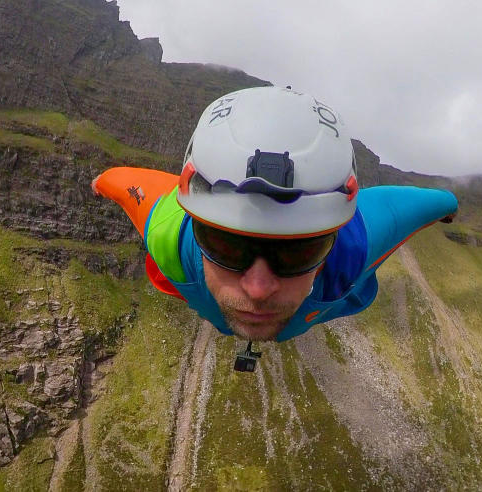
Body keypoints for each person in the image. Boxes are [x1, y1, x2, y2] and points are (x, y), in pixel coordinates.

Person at [92, 86, 457, 345]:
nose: (258, 289)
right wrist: (448, 204)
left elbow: (128, 185)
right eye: (226, 244)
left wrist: (103, 181)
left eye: (298, 251)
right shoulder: (168, 236)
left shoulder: (352, 252)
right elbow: (409, 207)